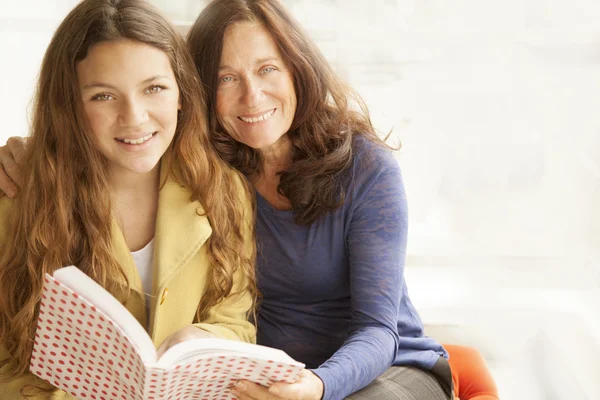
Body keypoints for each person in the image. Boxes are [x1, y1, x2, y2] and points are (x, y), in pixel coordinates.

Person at [0, 1, 454, 399]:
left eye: (267, 68)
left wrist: (317, 386)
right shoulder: (216, 167)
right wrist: (32, 152)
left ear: (297, 67)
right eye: (226, 78)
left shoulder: (366, 168)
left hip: (378, 372)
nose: (251, 95)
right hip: (268, 378)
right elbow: (122, 120)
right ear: (200, 91)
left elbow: (378, 329)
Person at [0, 0, 257, 398]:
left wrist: (200, 338)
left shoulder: (224, 190)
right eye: (103, 96)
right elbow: (6, 360)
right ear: (70, 107)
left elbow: (235, 323)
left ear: (181, 94)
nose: (134, 117)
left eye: (154, 88)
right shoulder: (17, 197)